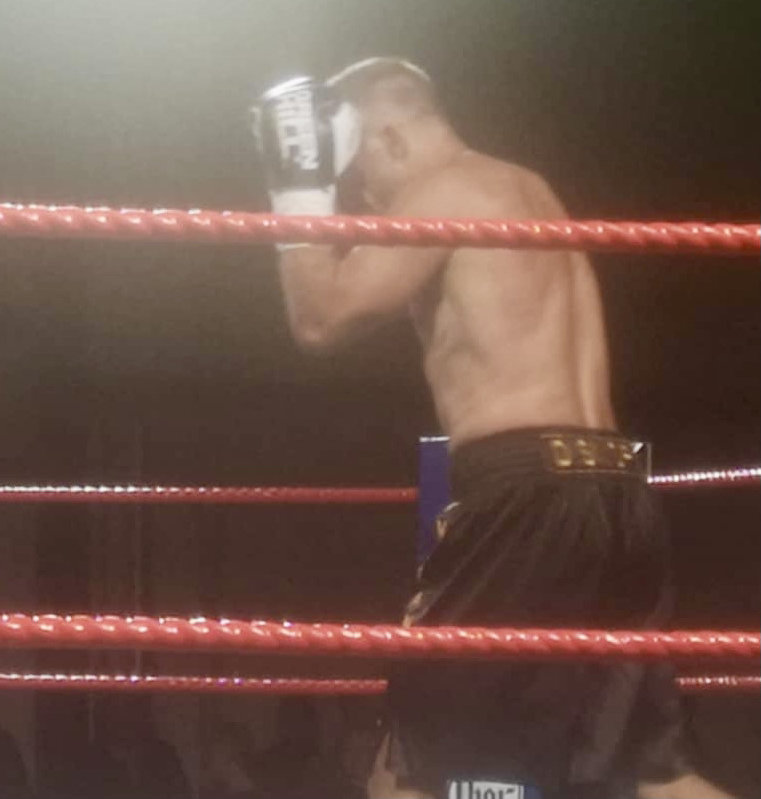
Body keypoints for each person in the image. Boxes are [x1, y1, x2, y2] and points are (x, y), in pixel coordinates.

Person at [251, 57, 731, 799]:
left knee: (408, 770)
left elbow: (320, 317)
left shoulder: (442, 191)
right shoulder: (528, 189)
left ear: (391, 138)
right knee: (653, 776)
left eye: (359, 175)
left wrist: (297, 187)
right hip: (617, 490)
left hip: (525, 496)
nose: (365, 202)